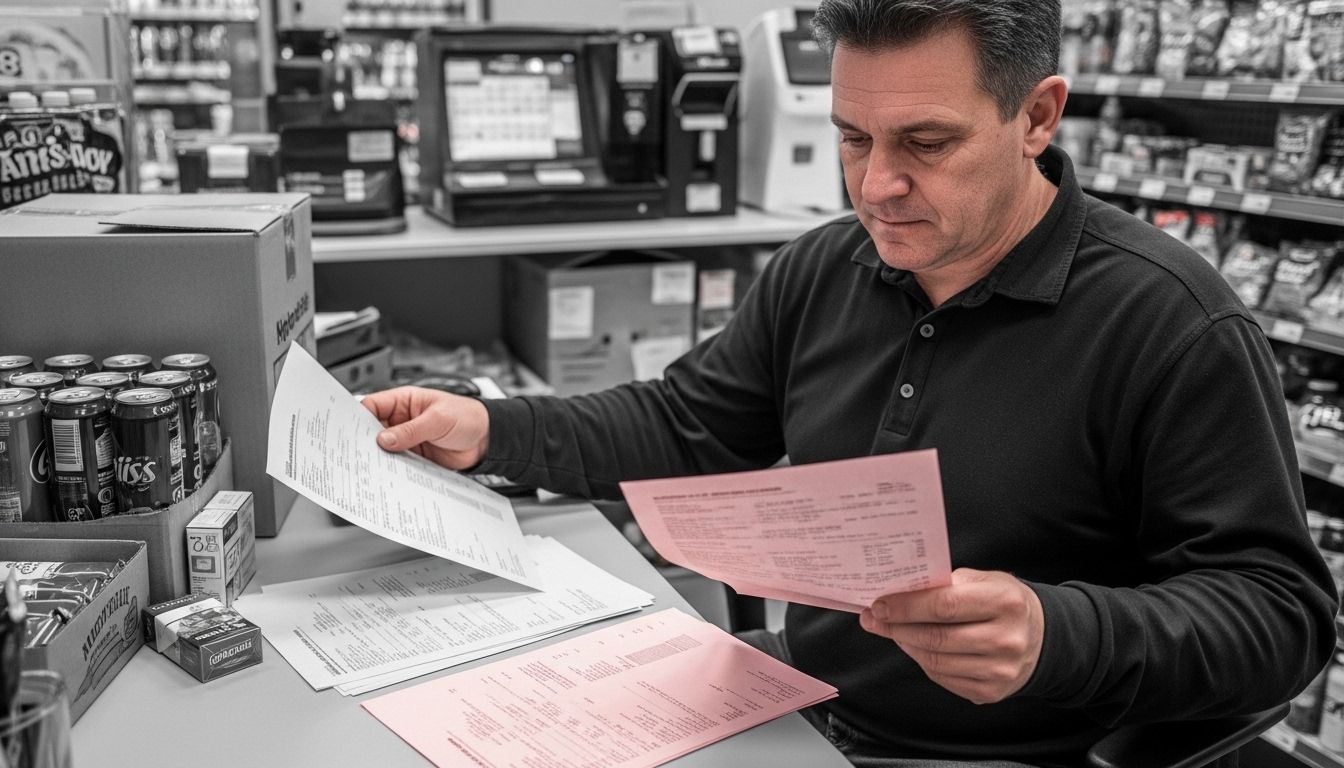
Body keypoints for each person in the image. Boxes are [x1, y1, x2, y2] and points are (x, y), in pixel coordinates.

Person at [362, 1, 1338, 765]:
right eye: (852, 138)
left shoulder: (1170, 321)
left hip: (1014, 753)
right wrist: (489, 429)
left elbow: (1281, 616)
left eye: (925, 143)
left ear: (1036, 116)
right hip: (802, 710)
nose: (875, 186)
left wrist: (1059, 633)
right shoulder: (825, 267)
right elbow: (688, 424)